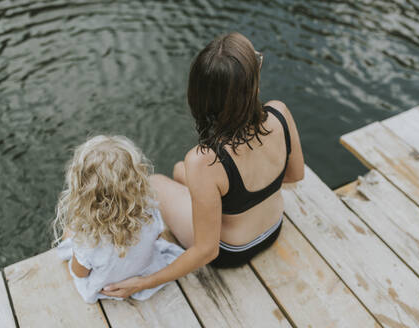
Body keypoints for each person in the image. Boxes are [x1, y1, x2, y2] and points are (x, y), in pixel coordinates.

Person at [101, 32, 304, 298]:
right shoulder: (280, 112)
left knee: (156, 183)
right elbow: (295, 175)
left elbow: (207, 251)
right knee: (178, 171)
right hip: (273, 227)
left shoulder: (205, 160)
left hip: (233, 251)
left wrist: (144, 282)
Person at [53, 135, 184, 303]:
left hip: (107, 285)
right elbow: (158, 236)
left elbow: (80, 272)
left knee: (70, 232)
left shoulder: (88, 240)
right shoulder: (150, 211)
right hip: (146, 270)